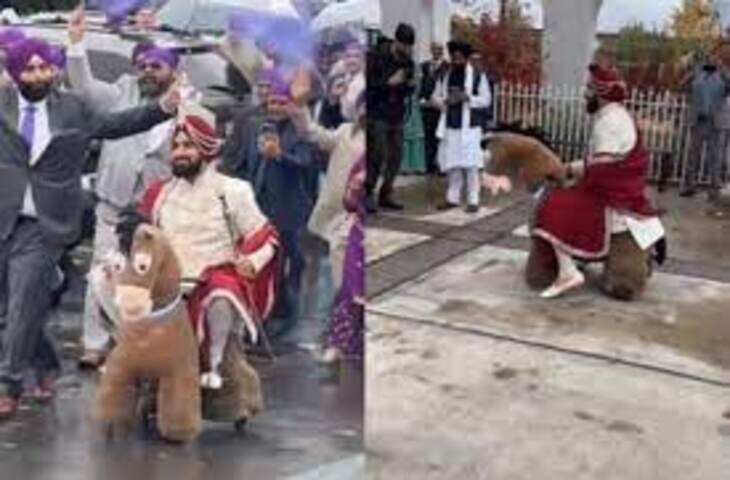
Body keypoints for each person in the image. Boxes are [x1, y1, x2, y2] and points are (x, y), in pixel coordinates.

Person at [0, 36, 179, 418]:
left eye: (44, 67)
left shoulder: (72, 109)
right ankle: (45, 362)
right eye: (29, 69)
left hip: (44, 224)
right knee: (13, 309)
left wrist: (162, 109)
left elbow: (115, 124)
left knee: (22, 300)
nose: (39, 75)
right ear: (15, 73)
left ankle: (8, 384)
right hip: (4, 217)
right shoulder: (2, 104)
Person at [115, 102, 280, 391]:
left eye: (188, 146)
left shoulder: (233, 190)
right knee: (106, 279)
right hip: (166, 283)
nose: (179, 153)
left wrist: (252, 262)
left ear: (206, 148)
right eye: (176, 146)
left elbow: (267, 237)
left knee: (221, 294)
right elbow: (142, 240)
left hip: (214, 280)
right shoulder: (159, 193)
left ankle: (214, 366)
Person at [66, 9, 198, 369]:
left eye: (157, 66)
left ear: (173, 70)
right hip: (113, 203)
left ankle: (143, 347)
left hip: (158, 212)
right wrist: (76, 44)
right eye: (143, 65)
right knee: (102, 273)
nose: (148, 72)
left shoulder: (190, 103)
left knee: (149, 281)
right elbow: (84, 87)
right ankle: (95, 343)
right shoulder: (122, 91)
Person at [517, 64, 661, 299]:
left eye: (589, 90)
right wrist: (573, 169)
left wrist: (569, 170)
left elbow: (604, 168)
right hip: (615, 188)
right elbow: (602, 162)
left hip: (613, 193)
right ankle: (574, 259)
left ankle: (567, 271)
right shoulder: (613, 115)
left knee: (552, 205)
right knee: (565, 197)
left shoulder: (610, 122)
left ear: (600, 93)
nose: (586, 94)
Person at [220, 69, 316, 338]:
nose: (275, 107)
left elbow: (306, 162)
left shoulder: (300, 130)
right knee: (264, 261)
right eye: (272, 102)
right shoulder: (256, 127)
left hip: (289, 209)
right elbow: (242, 162)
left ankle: (287, 314)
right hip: (258, 207)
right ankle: (266, 309)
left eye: (281, 102)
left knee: (288, 262)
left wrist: (280, 155)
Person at [433, 40, 491, 213]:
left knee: (471, 164)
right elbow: (436, 97)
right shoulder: (446, 75)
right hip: (451, 124)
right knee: (453, 164)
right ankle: (452, 198)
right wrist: (445, 101)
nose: (456, 60)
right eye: (454, 57)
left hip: (471, 127)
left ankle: (473, 200)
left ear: (466, 58)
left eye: (459, 57)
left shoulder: (478, 75)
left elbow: (486, 100)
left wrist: (468, 98)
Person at [366, 24, 416, 212]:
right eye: (405, 46)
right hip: (377, 113)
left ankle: (386, 192)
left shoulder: (407, 62)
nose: (408, 50)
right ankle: (367, 192)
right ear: (397, 42)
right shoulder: (376, 57)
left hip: (396, 113)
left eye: (410, 47)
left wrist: (409, 85)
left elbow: (408, 89)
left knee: (396, 155)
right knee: (377, 153)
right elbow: (368, 86)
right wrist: (389, 83)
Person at [322, 155, 365, 363]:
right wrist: (355, 189)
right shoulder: (360, 163)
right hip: (358, 235)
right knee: (350, 289)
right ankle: (339, 343)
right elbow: (348, 203)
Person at [680, 52, 730, 199]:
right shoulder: (697, 73)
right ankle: (689, 186)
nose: (712, 60)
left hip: (717, 123)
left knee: (715, 157)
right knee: (692, 156)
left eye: (715, 58)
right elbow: (682, 85)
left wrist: (723, 70)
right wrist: (691, 69)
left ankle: (714, 189)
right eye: (709, 58)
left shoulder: (723, 75)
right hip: (698, 121)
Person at [420, 42, 447, 175]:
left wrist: (439, 102)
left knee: (439, 137)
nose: (436, 52)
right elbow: (421, 84)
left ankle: (440, 164)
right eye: (434, 49)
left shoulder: (447, 67)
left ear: (442, 51)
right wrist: (422, 100)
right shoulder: (424, 66)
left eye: (439, 49)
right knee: (428, 136)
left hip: (439, 106)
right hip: (426, 107)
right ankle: (429, 165)